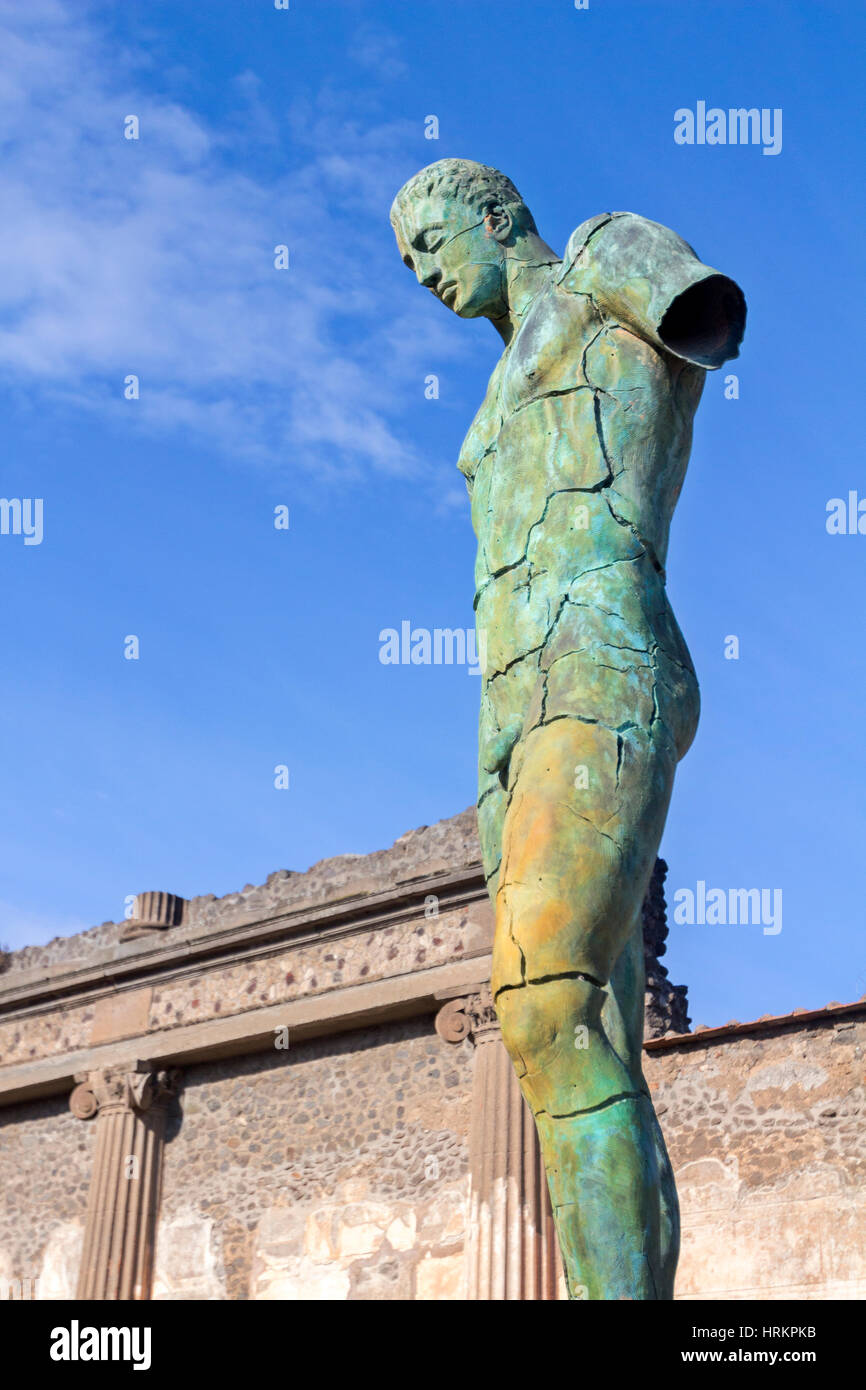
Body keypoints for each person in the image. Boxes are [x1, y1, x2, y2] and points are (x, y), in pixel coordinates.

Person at [391, 159, 745, 1299]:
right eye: (406, 263)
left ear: (496, 217)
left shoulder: (601, 258)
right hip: (506, 714)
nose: (424, 274)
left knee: (544, 998)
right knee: (564, 1034)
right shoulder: (488, 403)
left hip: (602, 657)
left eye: (433, 243)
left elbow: (704, 314)